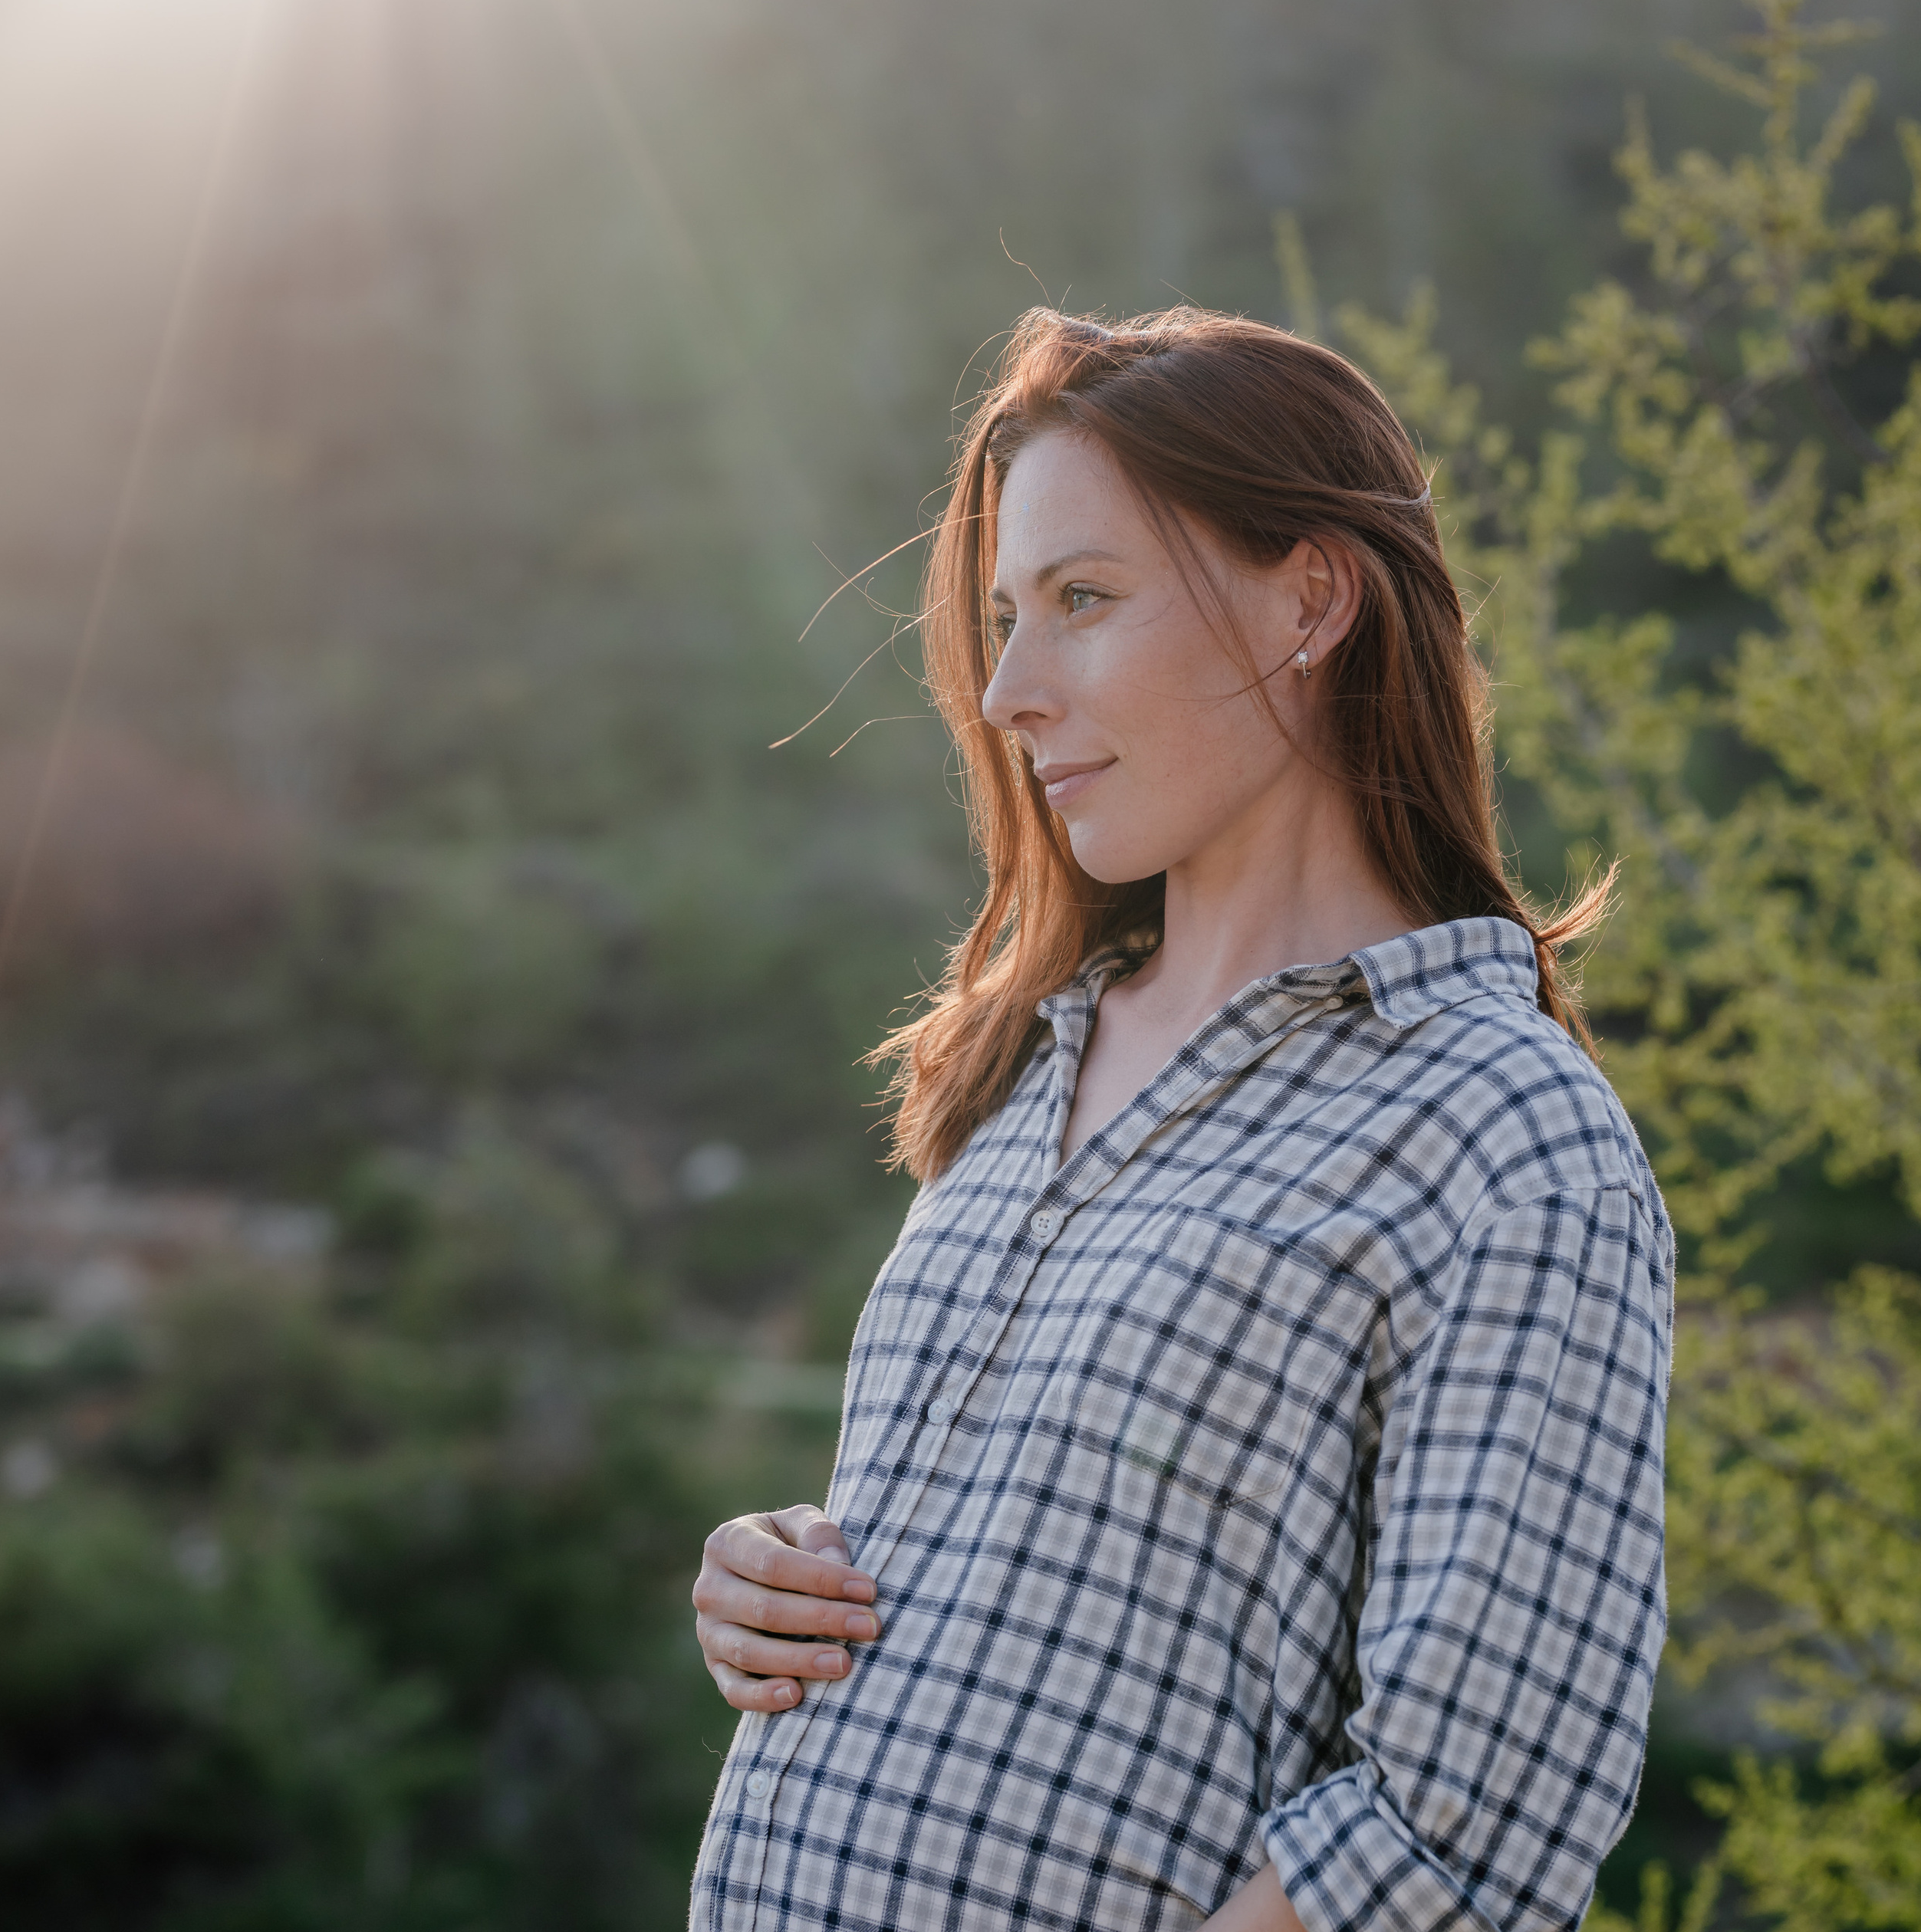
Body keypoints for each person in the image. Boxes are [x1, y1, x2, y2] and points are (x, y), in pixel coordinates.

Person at [688, 307, 1672, 1932]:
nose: (1007, 688)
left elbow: (1465, 1830)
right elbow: (1026, 1567)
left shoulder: (1502, 1135)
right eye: (1006, 617)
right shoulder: (1022, 1064)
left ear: (1310, 598)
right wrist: (771, 1581)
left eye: (1082, 600)